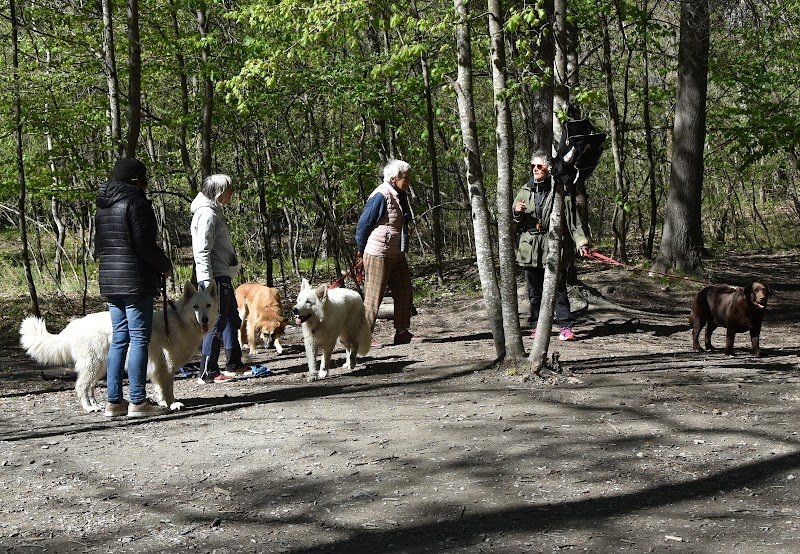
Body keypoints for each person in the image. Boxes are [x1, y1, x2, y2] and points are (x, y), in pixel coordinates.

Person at [95, 157, 173, 417]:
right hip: (134, 280)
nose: (147, 183)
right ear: (136, 181)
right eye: (145, 178)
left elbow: (101, 247)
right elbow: (144, 245)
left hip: (110, 279)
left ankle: (114, 401)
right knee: (139, 338)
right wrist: (164, 265)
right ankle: (138, 401)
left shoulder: (103, 206)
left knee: (120, 339)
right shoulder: (136, 203)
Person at [513, 151, 590, 341]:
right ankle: (537, 326)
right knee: (534, 291)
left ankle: (565, 327)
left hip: (553, 245)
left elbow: (573, 221)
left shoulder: (559, 191)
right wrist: (517, 213)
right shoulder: (524, 190)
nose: (535, 169)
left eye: (539, 166)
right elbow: (514, 221)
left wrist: (581, 242)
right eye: (533, 166)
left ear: (548, 168)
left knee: (558, 289)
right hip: (530, 248)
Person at [191, 173, 247, 383]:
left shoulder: (214, 212)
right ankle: (207, 371)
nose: (232, 194)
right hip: (214, 278)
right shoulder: (207, 214)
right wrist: (206, 281)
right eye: (229, 190)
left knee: (232, 317)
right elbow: (201, 250)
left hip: (222, 274)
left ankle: (234, 363)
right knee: (216, 322)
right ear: (220, 192)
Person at [355, 159, 416, 345]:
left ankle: (402, 332)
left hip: (396, 252)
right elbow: (364, 224)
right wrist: (360, 251)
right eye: (405, 178)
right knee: (373, 297)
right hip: (377, 252)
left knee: (404, 291)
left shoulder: (399, 195)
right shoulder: (381, 195)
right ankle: (363, 337)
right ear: (393, 178)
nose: (408, 182)